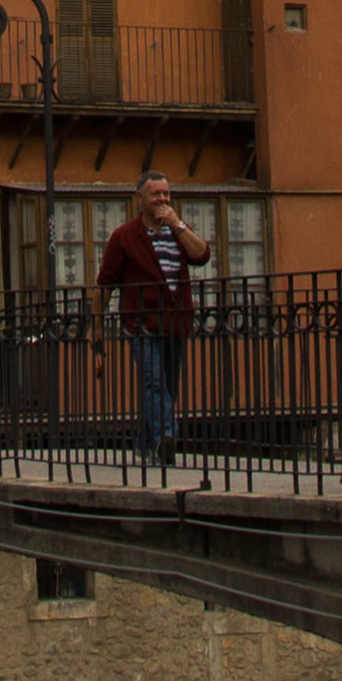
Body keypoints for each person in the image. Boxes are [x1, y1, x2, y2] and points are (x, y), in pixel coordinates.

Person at [92, 172, 213, 470]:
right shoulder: (124, 236)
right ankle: (165, 438)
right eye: (156, 194)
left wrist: (177, 224)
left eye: (166, 194)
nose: (162, 199)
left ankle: (146, 442)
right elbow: (105, 285)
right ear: (140, 199)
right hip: (141, 326)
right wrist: (96, 327)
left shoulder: (178, 232)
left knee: (168, 386)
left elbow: (202, 255)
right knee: (154, 382)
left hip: (175, 324)